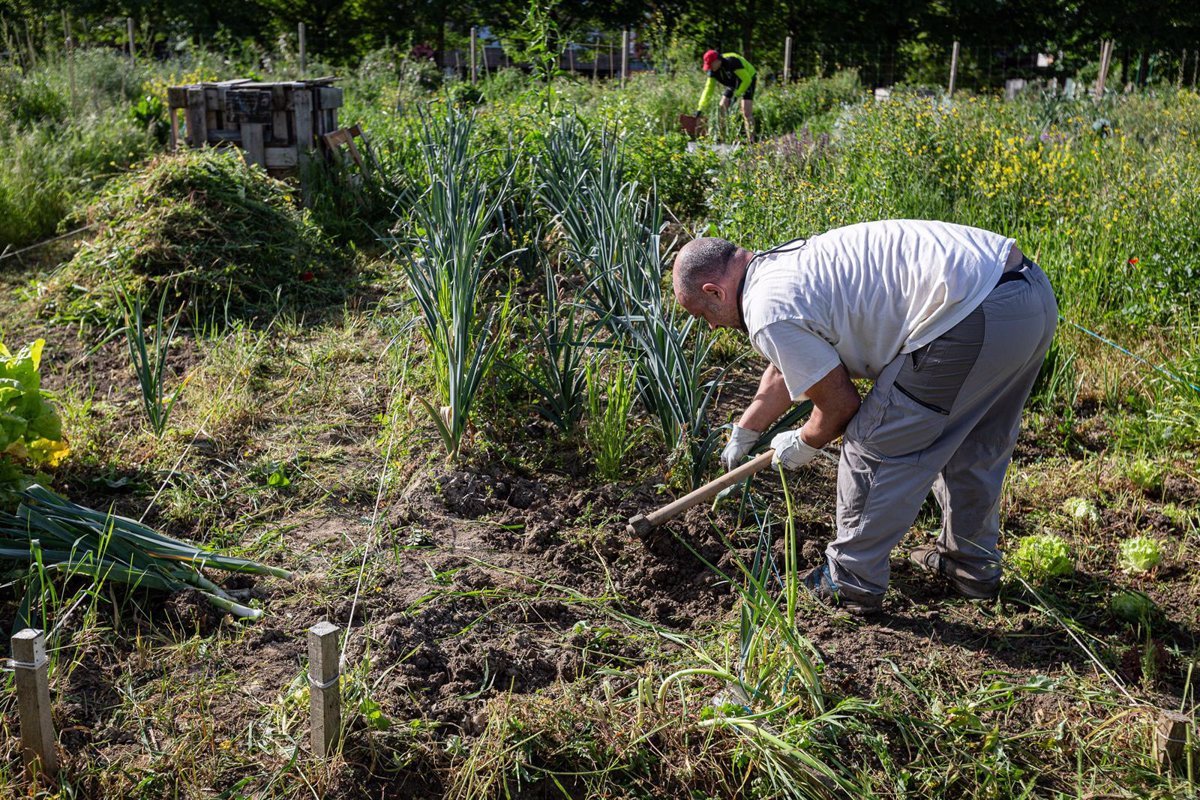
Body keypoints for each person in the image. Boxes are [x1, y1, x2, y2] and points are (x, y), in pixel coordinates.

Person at [671, 220, 1058, 614]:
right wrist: (746, 429)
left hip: (969, 314)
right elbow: (791, 358)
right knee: (973, 442)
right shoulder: (777, 265)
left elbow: (840, 408)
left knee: (873, 443)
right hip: (1026, 297)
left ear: (714, 291)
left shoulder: (766, 309)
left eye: (705, 314)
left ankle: (851, 580)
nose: (714, 325)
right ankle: (970, 567)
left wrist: (804, 443)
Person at [697, 49, 757, 142]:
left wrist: (736, 96)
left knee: (746, 111)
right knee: (722, 106)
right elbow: (708, 89)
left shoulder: (732, 62)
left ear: (717, 61)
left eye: (711, 65)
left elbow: (746, 80)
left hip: (748, 77)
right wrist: (700, 108)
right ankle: (722, 137)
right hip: (732, 81)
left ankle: (751, 140)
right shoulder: (713, 70)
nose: (709, 68)